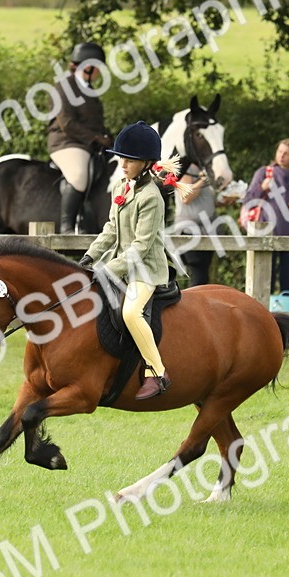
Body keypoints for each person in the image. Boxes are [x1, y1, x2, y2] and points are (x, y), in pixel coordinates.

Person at [79, 122, 182, 400]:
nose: (123, 165)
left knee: (131, 313)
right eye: (121, 158)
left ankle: (157, 372)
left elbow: (140, 247)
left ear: (146, 163)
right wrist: (90, 257)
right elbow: (111, 229)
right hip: (120, 264)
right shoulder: (121, 187)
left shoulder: (151, 197)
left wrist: (107, 269)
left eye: (130, 160)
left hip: (145, 270)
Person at [48, 42, 114, 234]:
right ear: (88, 66)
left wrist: (109, 137)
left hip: (88, 144)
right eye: (98, 67)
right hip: (66, 142)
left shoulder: (88, 88)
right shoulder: (63, 87)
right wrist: (96, 138)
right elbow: (66, 123)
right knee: (78, 175)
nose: (99, 72)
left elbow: (95, 122)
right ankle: (67, 225)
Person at [243, 138, 289, 294]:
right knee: (265, 283)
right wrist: (262, 188)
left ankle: (284, 309)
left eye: (286, 153)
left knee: (288, 284)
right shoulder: (264, 173)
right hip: (266, 234)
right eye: (280, 151)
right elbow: (248, 201)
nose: (281, 156)